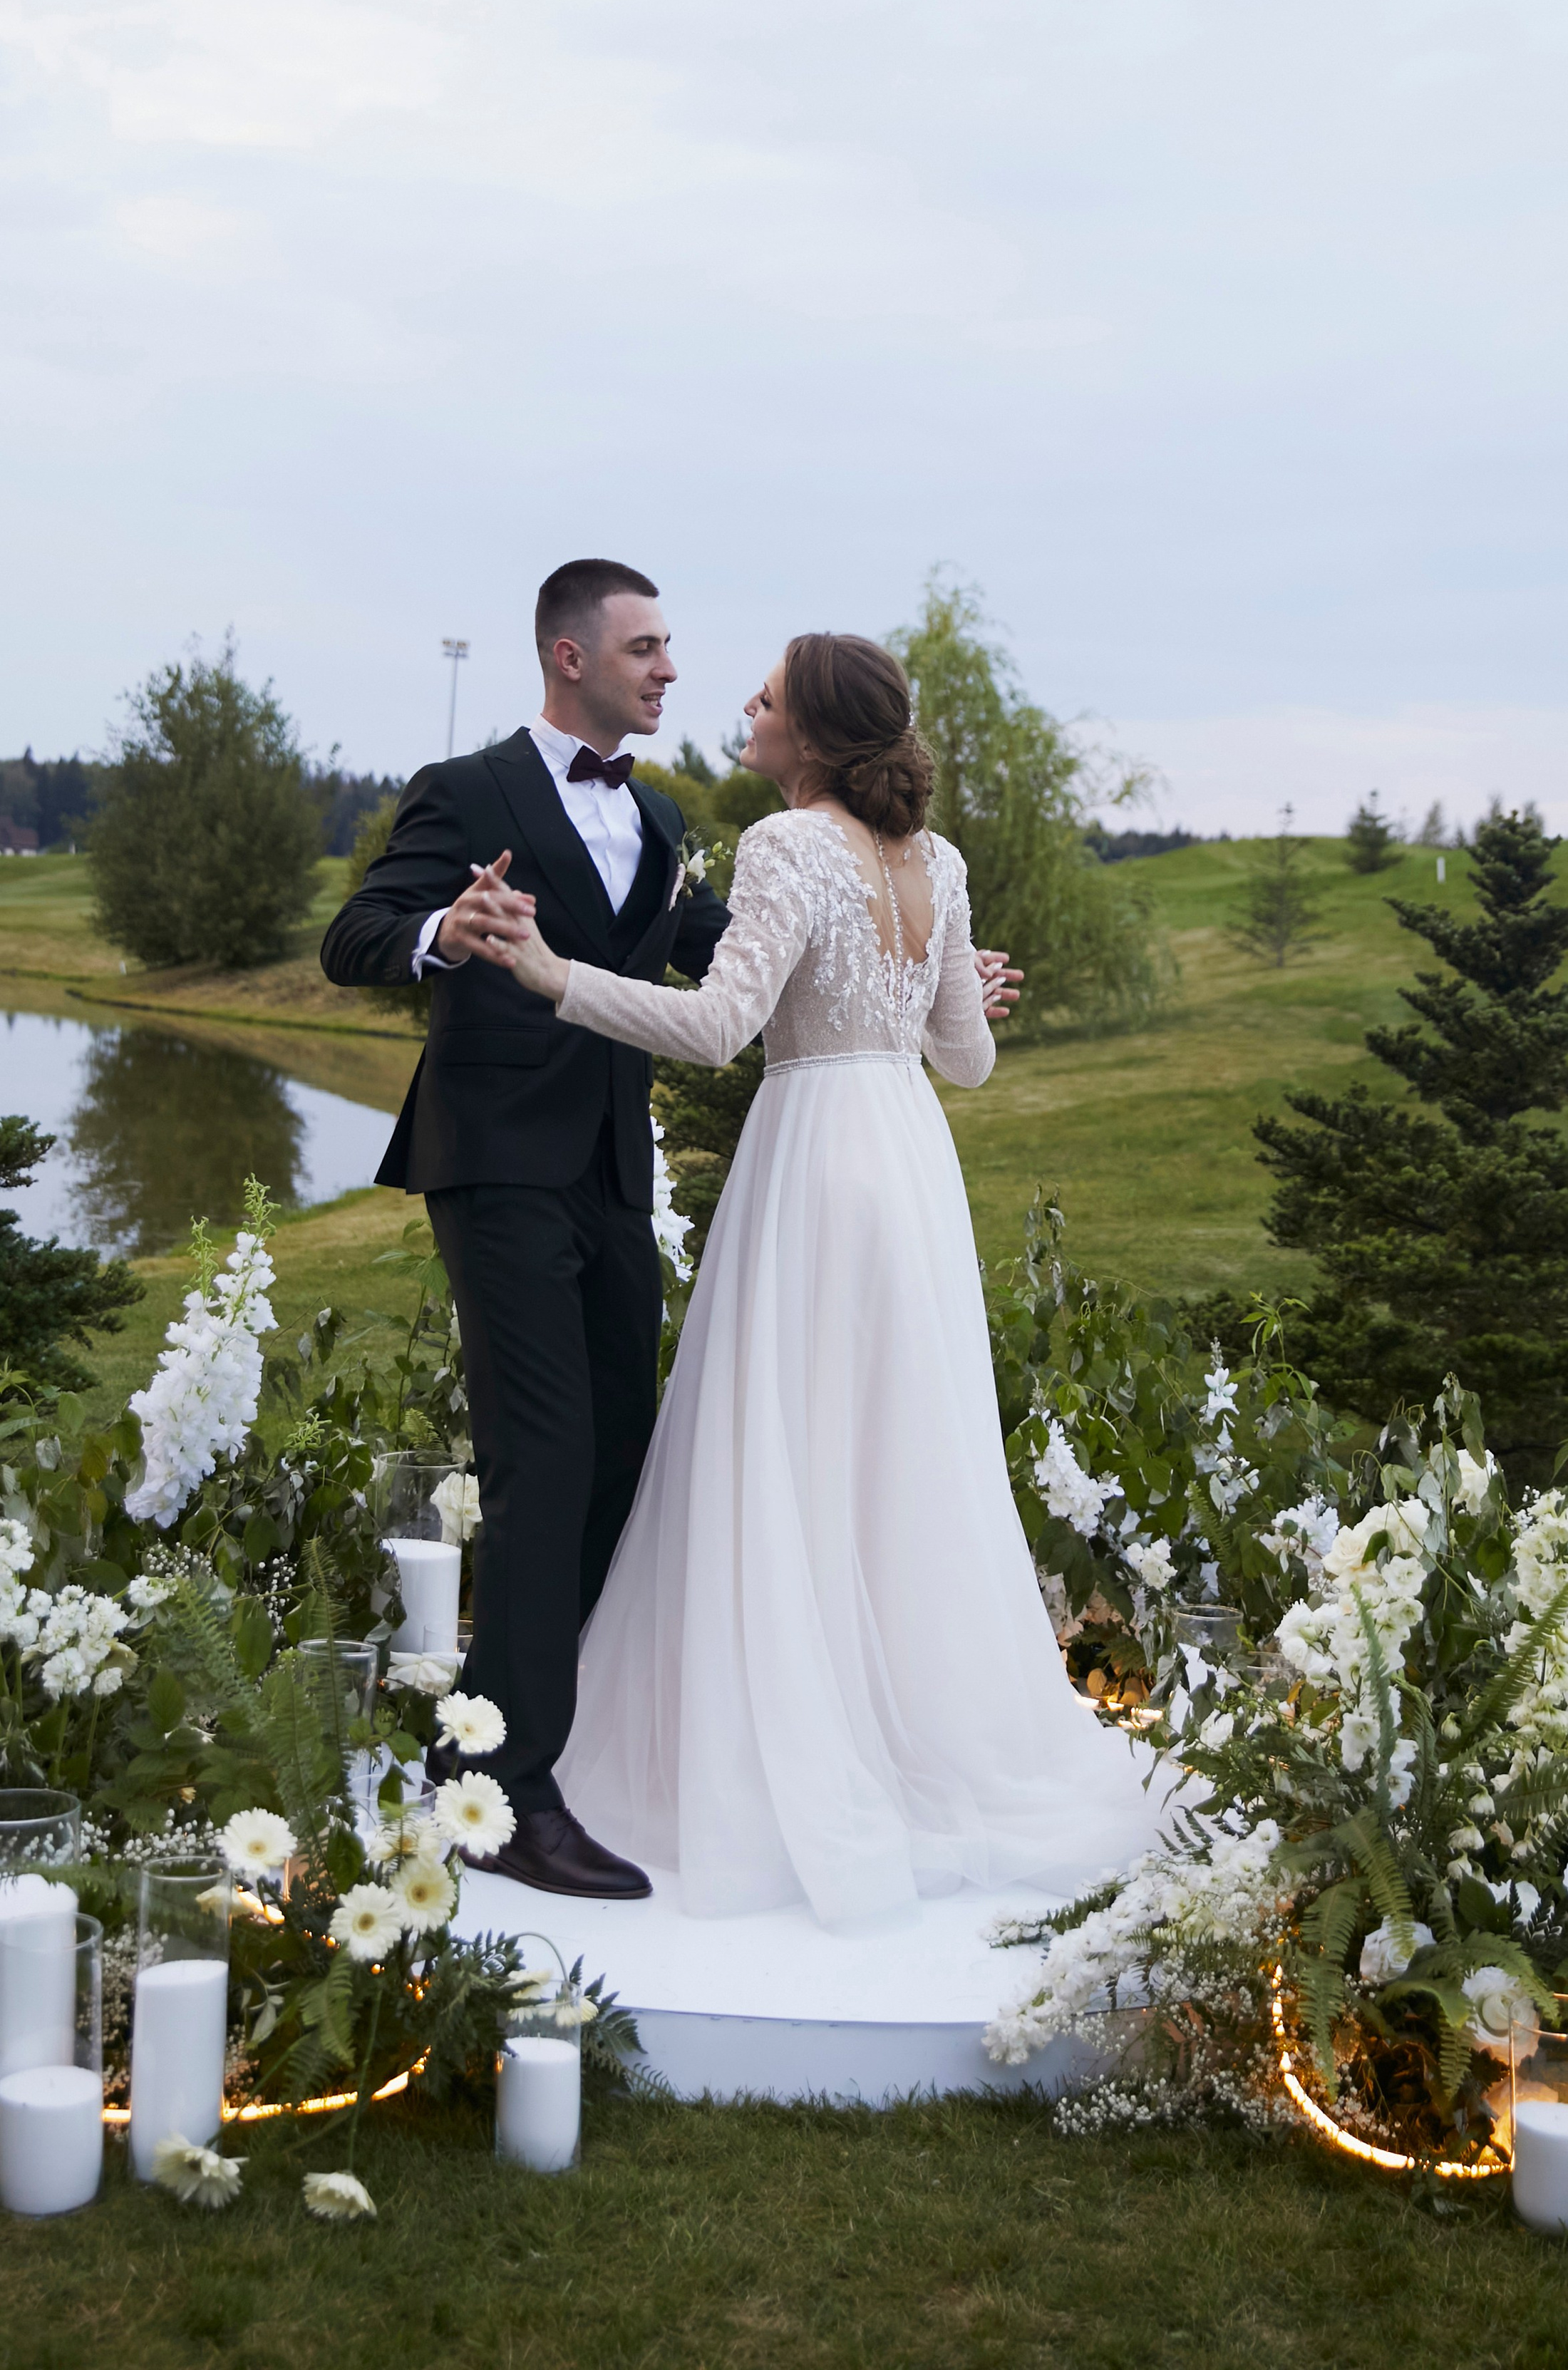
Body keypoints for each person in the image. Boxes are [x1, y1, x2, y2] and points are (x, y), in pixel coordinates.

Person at [322, 571, 1021, 1902]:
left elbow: (732, 950)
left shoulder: (660, 813)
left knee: (621, 1462)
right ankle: (509, 1800)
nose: (671, 672)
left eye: (675, 650)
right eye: (648, 649)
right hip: (498, 1165)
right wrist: (444, 930)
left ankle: (536, 1739)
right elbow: (351, 935)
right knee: (547, 1457)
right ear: (569, 654)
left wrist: (909, 961)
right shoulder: (465, 788)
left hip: (609, 1172)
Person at [475, 630, 1175, 1930]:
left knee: (786, 1451)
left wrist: (550, 974)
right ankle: (910, 1737)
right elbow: (965, 1064)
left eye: (769, 695)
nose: (745, 703)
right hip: (907, 1168)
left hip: (810, 1163)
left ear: (815, 734)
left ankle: (785, 1748)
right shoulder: (938, 861)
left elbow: (713, 1029)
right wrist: (953, 993)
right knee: (892, 1458)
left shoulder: (786, 846)